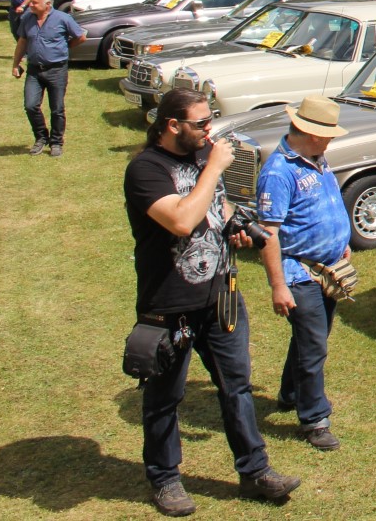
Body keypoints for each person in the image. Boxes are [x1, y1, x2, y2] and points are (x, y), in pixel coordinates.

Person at [125, 88, 302, 516]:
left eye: (211, 121)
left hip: (221, 298)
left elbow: (216, 208)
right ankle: (165, 479)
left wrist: (234, 227)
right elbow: (183, 220)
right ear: (172, 126)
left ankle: (256, 471)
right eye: (202, 123)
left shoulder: (203, 159)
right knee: (165, 399)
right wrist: (215, 168)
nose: (210, 130)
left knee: (236, 388)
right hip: (170, 305)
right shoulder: (146, 169)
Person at [254, 96, 353, 453]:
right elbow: (268, 233)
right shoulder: (279, 172)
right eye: (328, 135)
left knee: (310, 337)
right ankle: (314, 419)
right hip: (300, 274)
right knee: (314, 347)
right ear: (312, 134)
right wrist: (278, 285)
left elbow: (325, 204)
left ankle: (290, 393)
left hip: (327, 268)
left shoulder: (316, 159)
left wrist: (340, 240)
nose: (331, 141)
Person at [12, 0, 85, 156]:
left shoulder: (63, 18)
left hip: (56, 70)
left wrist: (64, 48)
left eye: (34, 2)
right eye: (31, 2)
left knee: (57, 109)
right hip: (34, 70)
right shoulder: (27, 19)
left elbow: (80, 37)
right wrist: (15, 64)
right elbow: (22, 41)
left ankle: (56, 142)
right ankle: (41, 137)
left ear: (47, 5)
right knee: (30, 106)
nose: (30, 5)